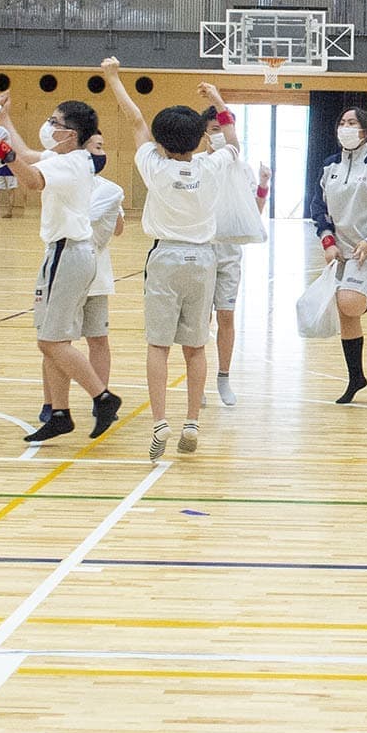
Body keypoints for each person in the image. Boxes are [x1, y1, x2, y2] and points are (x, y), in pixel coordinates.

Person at [99, 60, 236, 460]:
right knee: (195, 348)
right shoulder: (211, 165)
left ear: (160, 141)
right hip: (202, 260)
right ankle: (192, 420)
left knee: (158, 345)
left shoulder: (154, 166)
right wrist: (217, 99)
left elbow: (134, 116)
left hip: (164, 257)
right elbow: (233, 141)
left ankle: (160, 420)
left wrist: (113, 79)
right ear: (198, 139)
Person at [0, 97, 122, 445]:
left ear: (70, 134)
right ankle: (60, 414)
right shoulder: (64, 156)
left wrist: (3, 152)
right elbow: (29, 154)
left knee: (51, 340)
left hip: (68, 252)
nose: (49, 126)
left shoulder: (71, 165)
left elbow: (30, 179)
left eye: (54, 122)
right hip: (66, 253)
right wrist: (6, 120)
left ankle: (102, 397)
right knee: (53, 339)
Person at [308, 104, 367, 405]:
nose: (344, 127)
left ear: (366, 132)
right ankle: (355, 378)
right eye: (342, 121)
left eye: (351, 122)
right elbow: (317, 207)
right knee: (346, 314)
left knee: (348, 302)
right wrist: (327, 240)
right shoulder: (329, 166)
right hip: (339, 248)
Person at [66, 129, 127, 438]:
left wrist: (115, 208)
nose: (101, 152)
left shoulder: (108, 189)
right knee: (58, 342)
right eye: (96, 146)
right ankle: (53, 405)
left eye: (103, 146)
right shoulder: (64, 181)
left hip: (98, 272)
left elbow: (118, 230)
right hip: (66, 270)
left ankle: (100, 399)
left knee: (98, 338)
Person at [211, 120, 268, 410]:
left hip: (229, 255)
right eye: (211, 130)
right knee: (197, 322)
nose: (217, 135)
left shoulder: (242, 169)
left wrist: (263, 185)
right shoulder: (200, 164)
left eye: (221, 129)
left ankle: (223, 377)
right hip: (202, 252)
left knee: (226, 316)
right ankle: (195, 376)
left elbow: (253, 213)